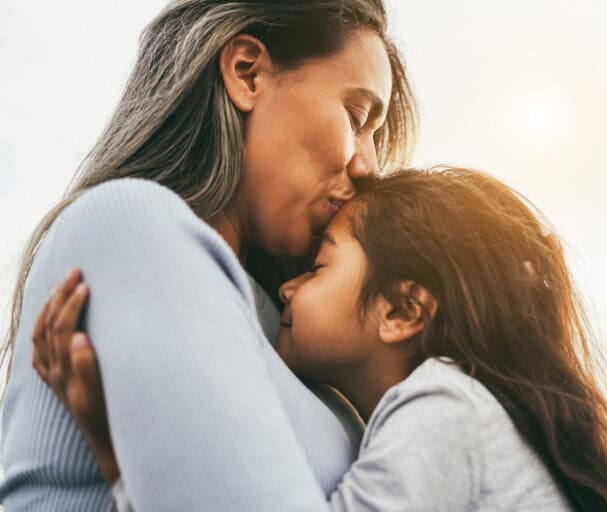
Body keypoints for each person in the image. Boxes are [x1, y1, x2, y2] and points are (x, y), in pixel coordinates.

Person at [33, 168, 607, 511]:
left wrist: (120, 457)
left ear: (401, 310)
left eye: (319, 268)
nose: (287, 290)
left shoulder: (446, 409)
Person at [0, 1, 416, 509]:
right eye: (355, 117)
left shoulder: (282, 327)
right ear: (247, 73)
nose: (370, 165)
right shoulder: (134, 230)